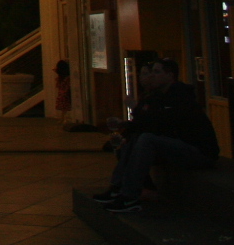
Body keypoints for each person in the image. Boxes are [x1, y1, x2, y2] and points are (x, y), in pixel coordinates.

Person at [94, 57, 217, 213]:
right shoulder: (160, 96)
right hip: (179, 146)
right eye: (151, 72)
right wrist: (126, 126)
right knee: (135, 139)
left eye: (157, 72)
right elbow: (150, 123)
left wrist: (136, 109)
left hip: (198, 151)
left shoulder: (179, 96)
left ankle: (129, 195)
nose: (152, 76)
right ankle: (118, 187)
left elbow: (161, 123)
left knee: (146, 139)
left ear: (170, 75)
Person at [53, 59, 73, 127]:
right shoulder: (66, 78)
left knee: (64, 107)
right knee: (64, 107)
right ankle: (64, 118)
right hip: (64, 93)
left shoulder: (64, 78)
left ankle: (65, 118)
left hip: (64, 93)